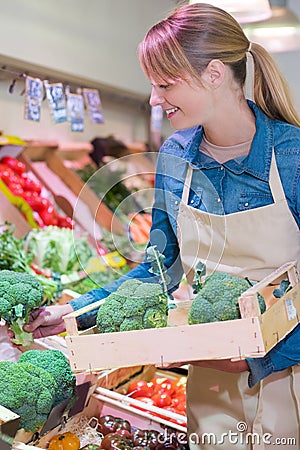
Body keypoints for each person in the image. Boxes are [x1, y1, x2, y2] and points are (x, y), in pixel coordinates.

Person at [17, 3, 300, 449]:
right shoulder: (175, 156)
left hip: (293, 375)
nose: (153, 99)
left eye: (165, 84)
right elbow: (158, 270)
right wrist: (76, 311)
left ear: (213, 74)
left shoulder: (292, 155)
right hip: (211, 382)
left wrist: (256, 359)